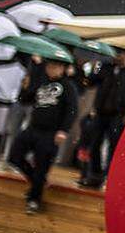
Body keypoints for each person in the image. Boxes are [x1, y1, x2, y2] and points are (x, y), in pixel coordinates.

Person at [7, 57, 78, 213]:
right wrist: (25, 87)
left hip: (51, 133)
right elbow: (25, 100)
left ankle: (34, 200)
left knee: (41, 167)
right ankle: (37, 182)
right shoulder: (41, 81)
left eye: (56, 66)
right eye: (50, 65)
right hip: (33, 128)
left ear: (63, 69)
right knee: (14, 156)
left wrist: (63, 130)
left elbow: (72, 110)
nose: (51, 69)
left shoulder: (68, 86)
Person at [78, 49, 125, 188]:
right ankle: (94, 175)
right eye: (116, 53)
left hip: (118, 114)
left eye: (121, 54)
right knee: (94, 144)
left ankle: (108, 176)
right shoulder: (105, 67)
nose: (118, 56)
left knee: (113, 147)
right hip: (101, 112)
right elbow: (90, 83)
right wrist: (94, 70)